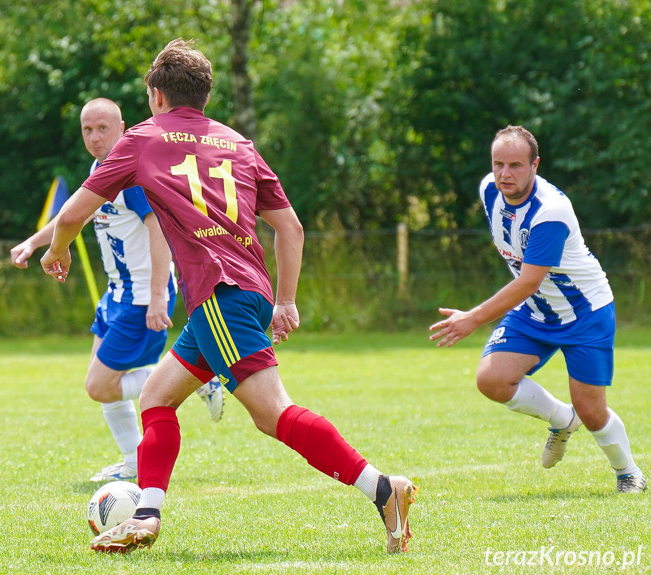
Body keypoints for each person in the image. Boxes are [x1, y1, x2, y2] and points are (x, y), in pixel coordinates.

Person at [38, 39, 418, 555]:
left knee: (272, 413)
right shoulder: (238, 143)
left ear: (155, 95)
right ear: (204, 94)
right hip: (243, 292)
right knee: (156, 396)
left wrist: (56, 250)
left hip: (219, 295)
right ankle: (146, 516)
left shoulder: (143, 139)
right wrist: (285, 300)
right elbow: (291, 228)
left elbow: (75, 213)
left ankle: (381, 487)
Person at [11, 97, 224, 483]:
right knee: (104, 385)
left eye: (102, 128)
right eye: (87, 130)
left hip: (141, 297)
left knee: (99, 386)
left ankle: (195, 379)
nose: (94, 137)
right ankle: (132, 462)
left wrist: (159, 294)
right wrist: (34, 242)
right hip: (116, 295)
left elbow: (159, 230)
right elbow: (72, 214)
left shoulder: (133, 174)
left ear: (122, 127)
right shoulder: (101, 169)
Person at [429, 125, 645, 494]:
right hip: (534, 310)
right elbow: (528, 285)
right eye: (498, 164)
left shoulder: (551, 211)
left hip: (584, 314)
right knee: (491, 380)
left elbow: (528, 280)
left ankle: (629, 474)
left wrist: (473, 318)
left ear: (535, 165)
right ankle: (562, 419)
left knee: (592, 411)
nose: (504, 174)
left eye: (515, 165)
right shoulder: (489, 191)